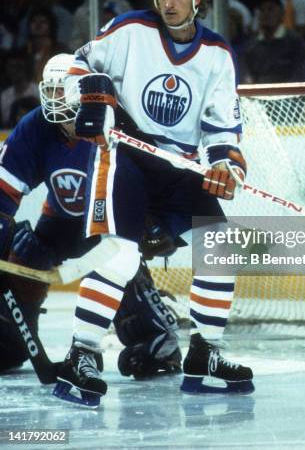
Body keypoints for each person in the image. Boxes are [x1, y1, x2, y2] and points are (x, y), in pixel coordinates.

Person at [57, 0, 253, 406]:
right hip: (125, 157)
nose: (169, 2)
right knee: (120, 256)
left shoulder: (217, 54)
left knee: (219, 243)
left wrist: (227, 167)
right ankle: (81, 354)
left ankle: (204, 353)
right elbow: (77, 66)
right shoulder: (129, 30)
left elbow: (222, 129)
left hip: (177, 167)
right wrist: (96, 98)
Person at [0, 54, 181, 380]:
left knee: (118, 262)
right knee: (23, 252)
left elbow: (159, 178)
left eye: (61, 92)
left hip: (111, 225)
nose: (54, 101)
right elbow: (3, 194)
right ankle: (9, 338)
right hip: (59, 223)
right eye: (50, 91)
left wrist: (159, 225)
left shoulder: (117, 124)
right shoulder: (35, 127)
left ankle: (152, 335)